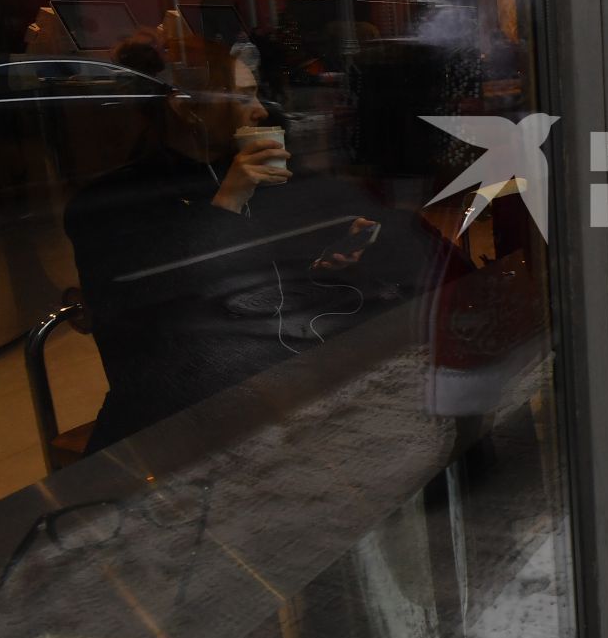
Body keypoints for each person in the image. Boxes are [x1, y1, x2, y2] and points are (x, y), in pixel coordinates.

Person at [65, 44, 449, 453]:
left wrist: (337, 247)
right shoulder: (111, 201)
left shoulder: (265, 173)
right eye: (244, 96)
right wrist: (229, 201)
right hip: (189, 399)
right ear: (186, 107)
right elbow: (142, 304)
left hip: (285, 368)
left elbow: (354, 224)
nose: (261, 110)